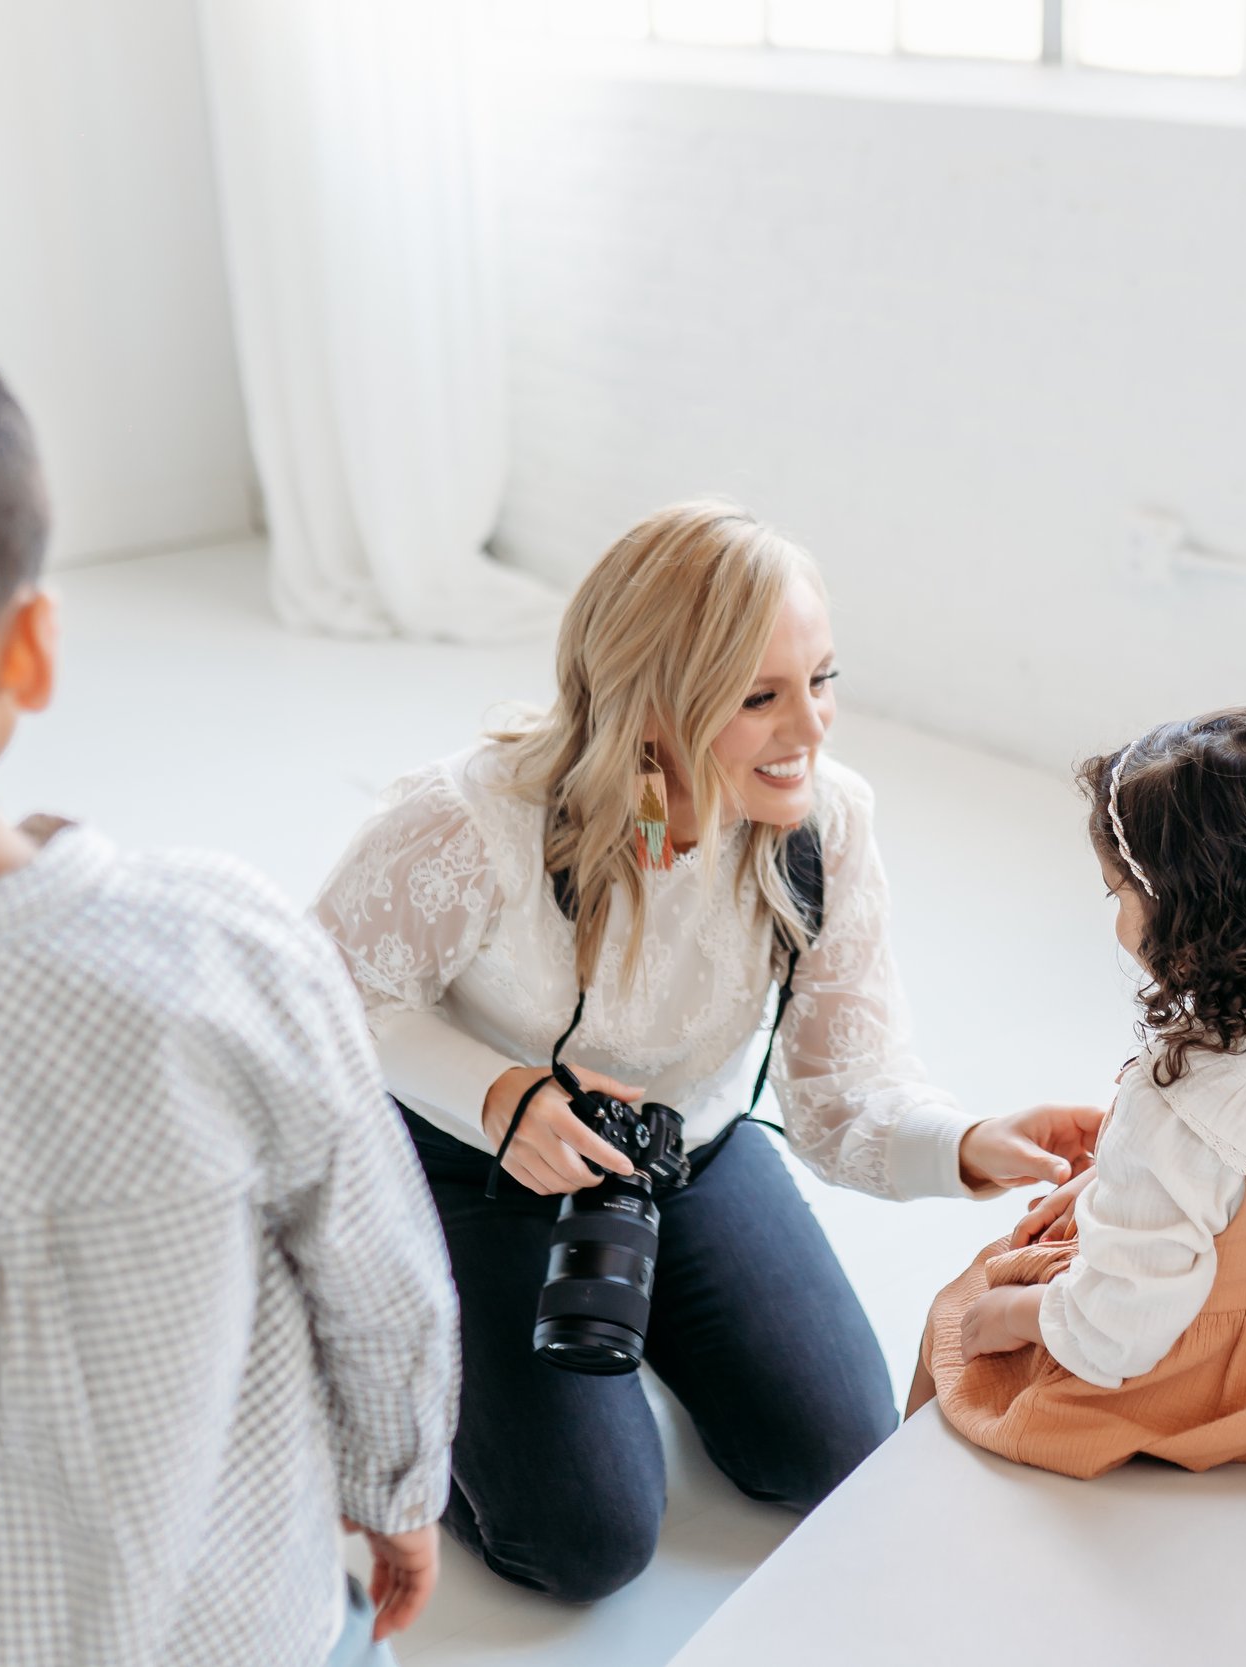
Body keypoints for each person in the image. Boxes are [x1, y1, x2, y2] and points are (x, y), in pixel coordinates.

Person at [0, 304, 458, 1665]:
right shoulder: (234, 945)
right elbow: (381, 1279)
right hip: (271, 1631)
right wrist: (398, 1488)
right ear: (31, 646)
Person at [313, 501, 1104, 1601]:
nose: (812, 728)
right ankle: (376, 1339)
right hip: (468, 1163)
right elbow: (324, 993)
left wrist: (967, 1142)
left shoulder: (829, 825)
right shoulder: (469, 819)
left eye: (821, 679)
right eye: (758, 697)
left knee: (833, 1449)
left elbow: (843, 1086)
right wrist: (498, 1096)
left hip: (684, 1151)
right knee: (584, 1541)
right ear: (650, 707)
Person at [913, 706, 1246, 1478]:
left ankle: (911, 1507)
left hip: (1175, 1385)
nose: (1116, 918)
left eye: (1116, 894)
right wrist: (1123, 1182)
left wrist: (1014, 1317)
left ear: (1191, 922)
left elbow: (1116, 1331)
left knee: (960, 1311)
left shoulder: (1177, 1104)